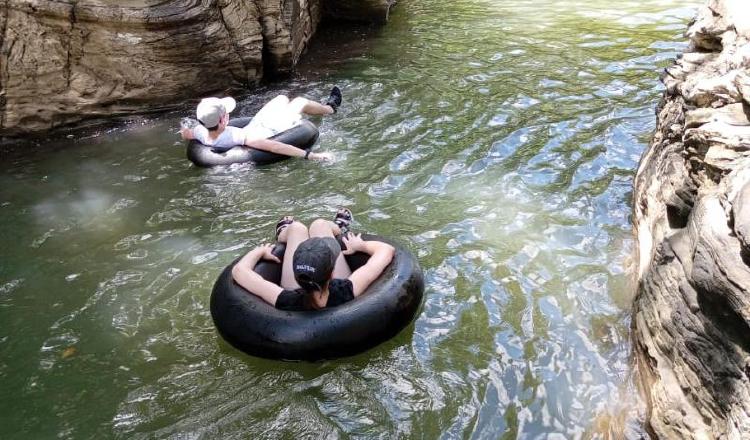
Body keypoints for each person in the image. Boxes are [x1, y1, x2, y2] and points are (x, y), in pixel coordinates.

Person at [232, 208, 396, 311]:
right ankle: (339, 228)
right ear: (332, 274)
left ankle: (284, 232)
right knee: (319, 224)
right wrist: (359, 246)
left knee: (297, 228)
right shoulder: (347, 289)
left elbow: (239, 271)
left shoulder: (285, 298)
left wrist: (259, 251)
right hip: (327, 287)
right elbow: (386, 250)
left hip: (294, 290)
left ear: (293, 271)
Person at [180, 87, 343, 162]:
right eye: (226, 114)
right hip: (271, 129)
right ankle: (330, 108)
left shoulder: (200, 132)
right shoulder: (238, 136)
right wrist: (312, 155)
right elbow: (274, 147)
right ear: (223, 121)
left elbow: (186, 133)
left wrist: (184, 130)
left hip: (257, 125)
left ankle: (327, 108)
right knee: (299, 102)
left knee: (282, 99)